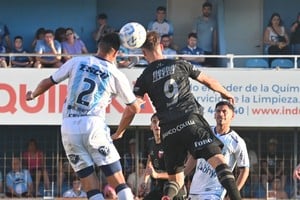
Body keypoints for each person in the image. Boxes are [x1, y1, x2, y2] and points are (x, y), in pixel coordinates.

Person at [112, 31, 241, 200]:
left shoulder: (144, 77)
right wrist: (225, 93)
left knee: (176, 179)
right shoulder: (180, 64)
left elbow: (132, 108)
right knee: (218, 161)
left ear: (143, 53)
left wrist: (120, 131)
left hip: (168, 131)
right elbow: (208, 80)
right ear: (161, 46)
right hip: (190, 120)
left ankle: (168, 196)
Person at [26, 32, 142, 200]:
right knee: (118, 182)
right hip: (93, 125)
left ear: (99, 46)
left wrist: (33, 95)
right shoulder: (116, 74)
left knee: (90, 187)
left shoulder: (77, 61)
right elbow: (133, 108)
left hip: (68, 127)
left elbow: (48, 82)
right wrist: (122, 129)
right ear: (116, 53)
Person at [184, 101, 250, 199]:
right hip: (194, 191)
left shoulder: (237, 141)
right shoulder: (205, 133)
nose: (220, 114)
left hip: (214, 193)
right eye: (218, 111)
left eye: (224, 111)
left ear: (232, 116)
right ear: (214, 115)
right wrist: (183, 175)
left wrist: (232, 193)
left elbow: (244, 169)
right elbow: (194, 156)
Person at [140, 113, 186, 200]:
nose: (157, 125)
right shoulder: (150, 142)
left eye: (160, 122)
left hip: (175, 190)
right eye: (154, 122)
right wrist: (145, 181)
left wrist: (157, 175)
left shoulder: (170, 144)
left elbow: (178, 175)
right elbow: (149, 163)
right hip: (159, 188)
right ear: (151, 126)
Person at [192, 2, 217, 67]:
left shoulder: (213, 21)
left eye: (208, 9)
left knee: (209, 68)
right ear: (202, 10)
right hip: (198, 49)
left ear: (211, 10)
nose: (206, 11)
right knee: (198, 68)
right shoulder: (197, 20)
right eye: (205, 9)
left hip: (209, 50)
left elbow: (214, 37)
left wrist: (214, 51)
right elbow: (193, 35)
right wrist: (193, 48)